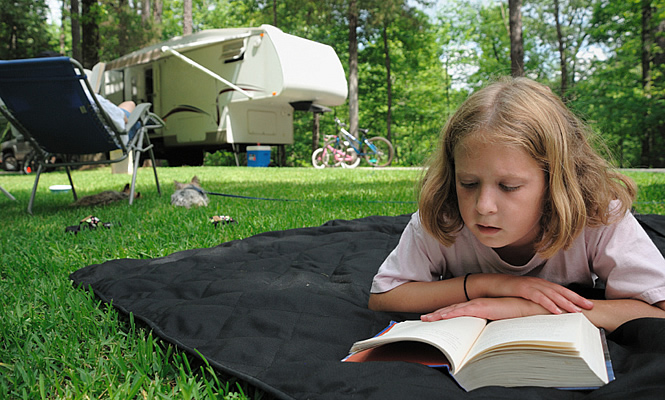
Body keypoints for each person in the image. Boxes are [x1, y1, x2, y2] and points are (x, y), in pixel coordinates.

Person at [368, 77, 665, 333]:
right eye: (468, 184)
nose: (483, 207)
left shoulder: (597, 215)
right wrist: (492, 285)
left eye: (509, 187)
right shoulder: (444, 214)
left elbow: (658, 310)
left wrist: (525, 309)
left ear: (556, 182)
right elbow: (385, 296)